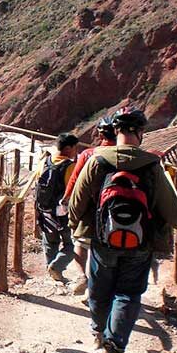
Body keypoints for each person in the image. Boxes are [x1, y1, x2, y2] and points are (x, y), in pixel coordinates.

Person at [68, 107, 177, 353]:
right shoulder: (152, 164)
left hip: (102, 238)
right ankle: (115, 342)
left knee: (99, 290)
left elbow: (77, 202)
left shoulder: (97, 160)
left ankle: (98, 332)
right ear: (141, 133)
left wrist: (75, 224)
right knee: (128, 292)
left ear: (115, 131)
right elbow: (171, 209)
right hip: (141, 242)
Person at [63, 115, 117, 295]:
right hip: (115, 212)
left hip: (89, 209)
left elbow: (75, 179)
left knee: (80, 242)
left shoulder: (88, 154)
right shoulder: (125, 155)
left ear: (100, 134)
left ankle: (82, 277)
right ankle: (99, 287)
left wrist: (66, 198)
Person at [36, 133, 79, 282]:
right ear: (68, 148)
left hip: (45, 211)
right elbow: (74, 190)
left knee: (49, 242)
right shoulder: (71, 166)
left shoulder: (44, 162)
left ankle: (52, 269)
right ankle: (57, 266)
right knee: (72, 244)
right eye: (75, 148)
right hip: (63, 213)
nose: (76, 151)